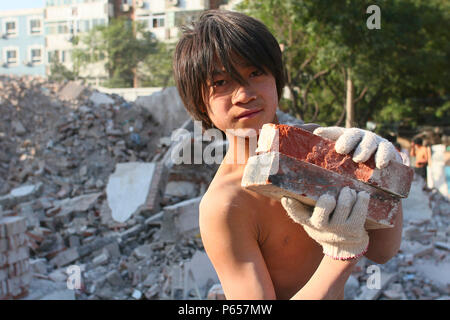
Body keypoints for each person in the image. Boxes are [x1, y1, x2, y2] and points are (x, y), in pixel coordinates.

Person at [173, 10, 403, 300]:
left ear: (276, 77)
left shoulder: (320, 149)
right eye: (221, 83)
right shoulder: (225, 206)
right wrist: (340, 254)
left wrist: (382, 171)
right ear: (199, 103)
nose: (244, 94)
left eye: (255, 73)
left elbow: (384, 251)